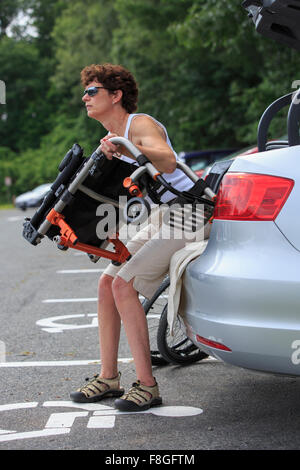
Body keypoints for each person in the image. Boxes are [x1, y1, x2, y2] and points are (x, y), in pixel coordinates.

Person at [70, 63, 204, 411]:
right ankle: (109, 377)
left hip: (192, 210)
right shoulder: (112, 140)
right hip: (165, 213)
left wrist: (128, 146)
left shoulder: (138, 124)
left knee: (123, 285)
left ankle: (147, 385)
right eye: (85, 91)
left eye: (92, 91)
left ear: (116, 96)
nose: (84, 97)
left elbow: (169, 161)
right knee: (106, 283)